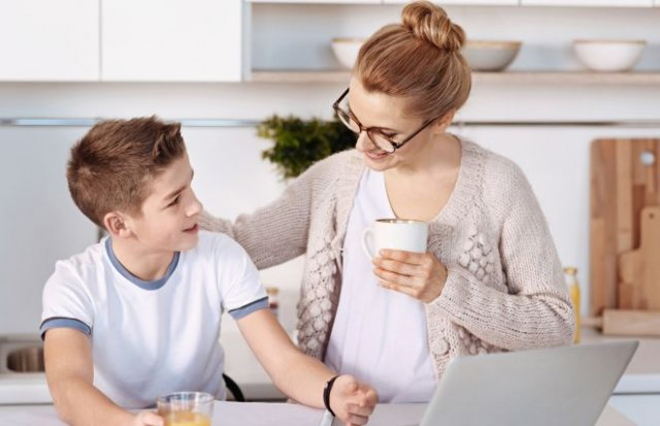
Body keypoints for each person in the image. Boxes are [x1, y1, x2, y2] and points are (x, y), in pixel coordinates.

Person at [201, 0, 575, 404]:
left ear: (442, 119)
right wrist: (164, 198)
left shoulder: (498, 185)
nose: (363, 144)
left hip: (455, 415)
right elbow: (236, 243)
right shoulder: (334, 181)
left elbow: (555, 324)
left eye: (386, 133)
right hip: (340, 415)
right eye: (355, 119)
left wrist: (446, 288)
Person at [40, 117, 377, 426]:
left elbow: (283, 363)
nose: (195, 206)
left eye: (189, 186)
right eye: (174, 200)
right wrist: (131, 423)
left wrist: (331, 391)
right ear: (119, 225)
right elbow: (68, 388)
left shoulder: (220, 256)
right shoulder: (74, 282)